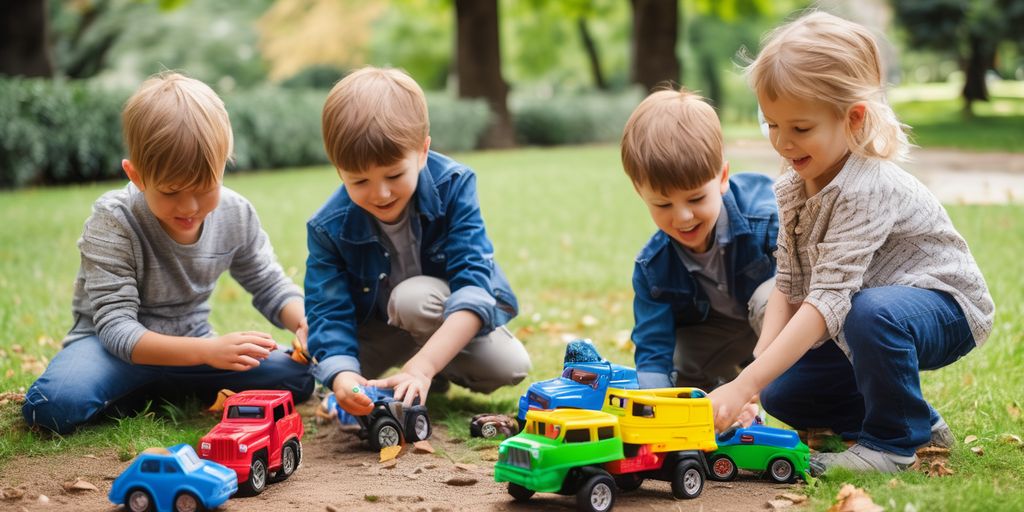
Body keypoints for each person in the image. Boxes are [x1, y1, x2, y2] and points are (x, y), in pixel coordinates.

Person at [708, 11, 995, 474]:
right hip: (863, 308)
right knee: (786, 391)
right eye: (772, 124)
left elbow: (827, 303)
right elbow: (788, 282)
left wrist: (743, 384)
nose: (782, 143)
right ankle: (913, 419)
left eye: (800, 129)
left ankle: (892, 446)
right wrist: (757, 380)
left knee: (869, 312)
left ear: (853, 118)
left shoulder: (866, 188)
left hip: (945, 306)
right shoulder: (795, 184)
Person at [23, 73, 314, 435]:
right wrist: (208, 352)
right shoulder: (113, 220)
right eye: (172, 191)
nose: (189, 206)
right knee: (51, 406)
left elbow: (269, 283)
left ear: (225, 164)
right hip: (111, 353)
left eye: (205, 188)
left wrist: (304, 321)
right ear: (137, 176)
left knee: (298, 376)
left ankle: (156, 390)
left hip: (193, 351)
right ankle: (147, 387)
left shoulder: (236, 214)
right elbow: (116, 329)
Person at [305, 67, 531, 416]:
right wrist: (344, 376)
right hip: (378, 328)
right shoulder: (327, 227)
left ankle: (429, 370)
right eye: (359, 181)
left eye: (394, 175)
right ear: (339, 171)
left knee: (507, 364)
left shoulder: (454, 185)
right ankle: (413, 371)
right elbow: (328, 313)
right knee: (325, 367)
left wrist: (423, 365)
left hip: (435, 310)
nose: (380, 193)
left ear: (422, 152)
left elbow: (473, 284)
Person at [621, 86, 779, 407]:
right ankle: (707, 412)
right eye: (663, 204)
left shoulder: (765, 215)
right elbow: (653, 350)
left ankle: (805, 397)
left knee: (770, 300)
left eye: (695, 198)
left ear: (722, 177)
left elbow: (807, 288)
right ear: (641, 193)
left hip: (780, 323)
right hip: (724, 331)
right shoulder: (653, 268)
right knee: (680, 361)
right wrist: (653, 405)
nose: (683, 217)